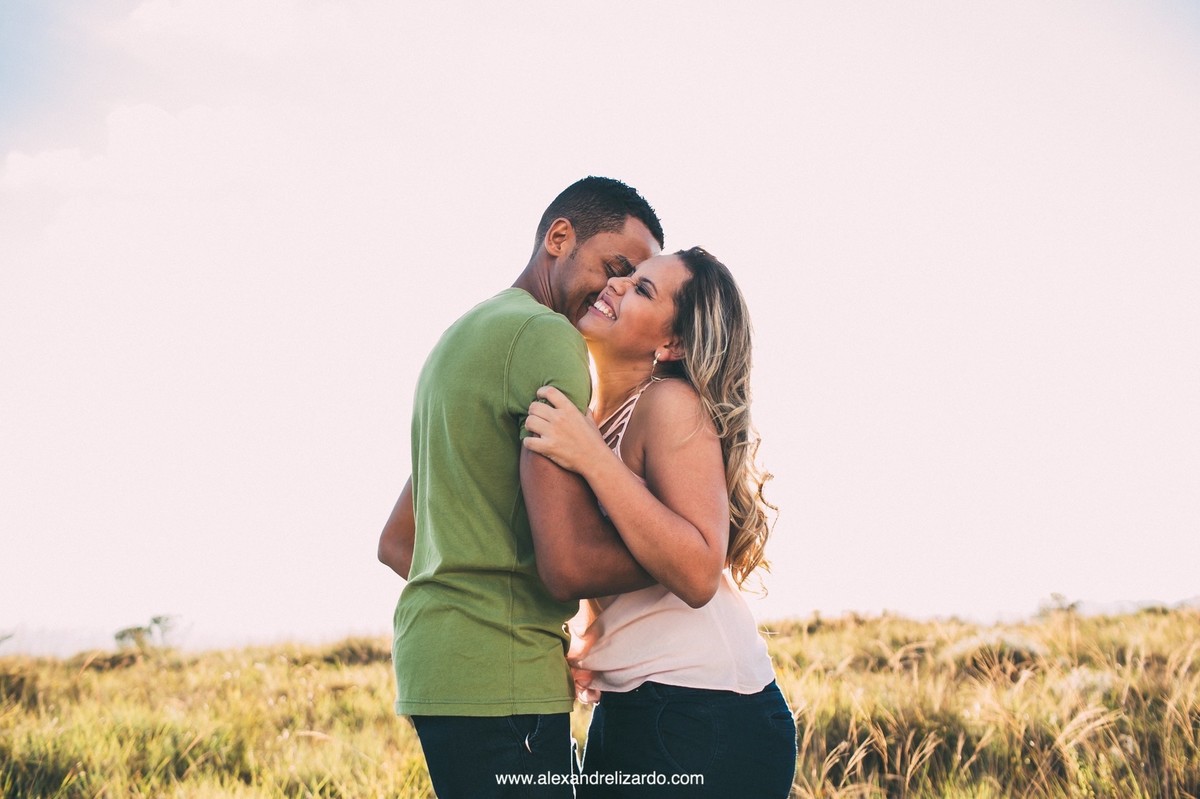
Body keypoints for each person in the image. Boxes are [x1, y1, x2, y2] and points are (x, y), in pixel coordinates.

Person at [377, 176, 664, 799]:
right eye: (615, 266)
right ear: (559, 237)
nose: (617, 290)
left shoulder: (464, 335)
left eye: (634, 280)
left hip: (437, 664)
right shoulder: (544, 336)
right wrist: (685, 559)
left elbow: (399, 542)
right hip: (498, 677)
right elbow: (567, 568)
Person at [523, 247, 798, 798]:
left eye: (643, 289)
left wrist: (589, 456)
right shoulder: (601, 419)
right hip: (643, 705)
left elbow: (698, 572)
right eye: (626, 276)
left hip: (705, 710)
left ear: (671, 344)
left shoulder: (669, 402)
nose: (618, 286)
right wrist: (592, 646)